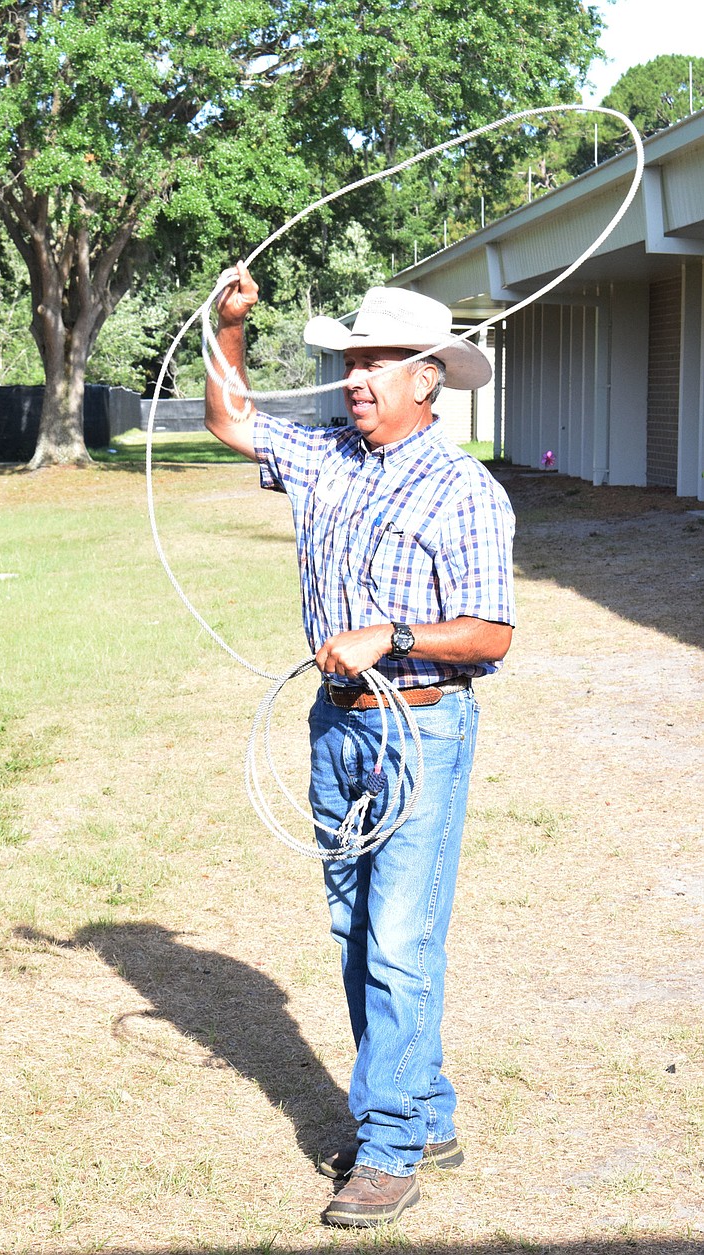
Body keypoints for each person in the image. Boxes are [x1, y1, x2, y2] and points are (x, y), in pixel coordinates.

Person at [204, 262, 515, 1228]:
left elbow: (491, 633)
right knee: (356, 935)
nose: (354, 377)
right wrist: (229, 326)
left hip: (420, 723)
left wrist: (395, 635)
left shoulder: (467, 492)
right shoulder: (328, 455)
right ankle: (424, 1114)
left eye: (375, 362)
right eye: (349, 360)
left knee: (398, 944)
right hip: (335, 725)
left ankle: (386, 1149)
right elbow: (229, 420)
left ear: (427, 379)